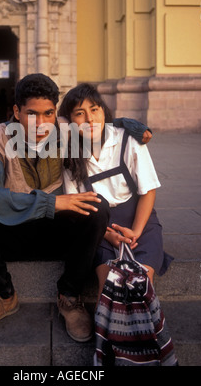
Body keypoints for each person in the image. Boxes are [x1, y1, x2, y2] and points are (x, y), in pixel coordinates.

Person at [0, 74, 152, 342]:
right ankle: (2, 296)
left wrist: (132, 126)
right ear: (16, 111)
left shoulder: (62, 128)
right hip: (11, 232)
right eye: (31, 114)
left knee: (97, 206)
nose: (41, 123)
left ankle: (70, 296)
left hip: (56, 236)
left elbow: (94, 122)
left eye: (48, 113)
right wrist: (52, 202)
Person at [58, 83, 173, 301]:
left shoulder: (127, 139)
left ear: (104, 110)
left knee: (142, 284)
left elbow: (148, 191)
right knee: (110, 287)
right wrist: (108, 234)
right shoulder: (69, 156)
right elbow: (77, 206)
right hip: (99, 227)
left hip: (139, 220)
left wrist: (136, 233)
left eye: (94, 109)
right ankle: (110, 331)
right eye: (80, 114)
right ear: (70, 121)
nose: (90, 119)